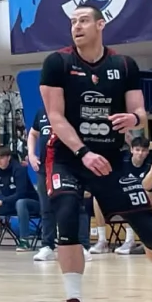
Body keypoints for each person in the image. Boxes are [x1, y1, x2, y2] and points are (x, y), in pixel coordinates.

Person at [38, 4, 152, 302]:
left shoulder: (124, 65)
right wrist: (83, 151)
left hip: (112, 158)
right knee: (68, 213)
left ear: (101, 24)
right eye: (73, 22)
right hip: (68, 156)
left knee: (149, 229)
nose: (77, 26)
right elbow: (55, 118)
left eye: (84, 20)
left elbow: (140, 112)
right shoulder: (57, 63)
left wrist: (133, 120)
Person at [26, 107, 92, 262]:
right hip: (45, 168)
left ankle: (83, 245)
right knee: (46, 208)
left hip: (69, 166)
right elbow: (33, 134)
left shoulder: (73, 109)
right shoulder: (41, 112)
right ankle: (47, 246)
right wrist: (31, 154)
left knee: (78, 206)